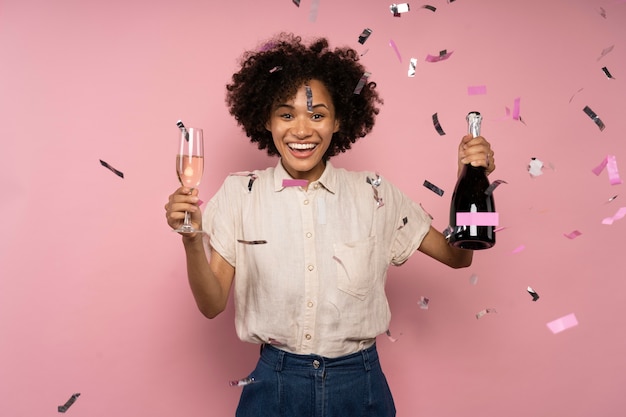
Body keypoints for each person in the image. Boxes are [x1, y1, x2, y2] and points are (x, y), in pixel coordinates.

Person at [165, 32, 495, 417]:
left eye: (317, 115)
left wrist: (466, 179)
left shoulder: (376, 195)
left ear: (339, 120)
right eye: (286, 114)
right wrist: (190, 240)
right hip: (274, 386)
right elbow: (211, 305)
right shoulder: (241, 194)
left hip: (360, 386)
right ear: (266, 120)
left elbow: (460, 258)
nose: (302, 130)